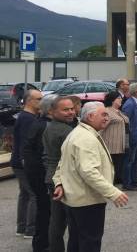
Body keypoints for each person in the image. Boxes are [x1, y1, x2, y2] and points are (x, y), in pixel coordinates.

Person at [52, 102, 129, 252]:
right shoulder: (85, 138)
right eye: (104, 114)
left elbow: (63, 163)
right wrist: (113, 193)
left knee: (77, 241)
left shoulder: (78, 133)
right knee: (89, 243)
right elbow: (89, 172)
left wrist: (58, 183)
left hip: (77, 200)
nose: (107, 118)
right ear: (90, 116)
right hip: (87, 202)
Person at [43, 96, 78, 252]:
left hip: (53, 177)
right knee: (70, 223)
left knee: (57, 222)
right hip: (62, 180)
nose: (71, 112)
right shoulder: (66, 131)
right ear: (52, 111)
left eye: (72, 108)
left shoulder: (50, 126)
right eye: (65, 110)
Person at [23, 94, 54, 251]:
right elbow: (42, 155)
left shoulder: (40, 123)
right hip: (41, 176)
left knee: (45, 210)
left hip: (37, 173)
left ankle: (42, 243)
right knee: (45, 211)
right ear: (51, 110)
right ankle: (42, 244)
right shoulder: (44, 126)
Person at [12, 89, 42, 240]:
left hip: (18, 161)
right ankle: (30, 229)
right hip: (24, 163)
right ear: (29, 101)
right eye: (39, 99)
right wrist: (27, 164)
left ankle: (22, 227)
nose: (42, 101)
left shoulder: (27, 117)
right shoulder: (28, 119)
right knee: (33, 194)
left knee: (25, 194)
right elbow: (25, 143)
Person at [101, 91, 128, 185]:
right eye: (118, 98)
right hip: (111, 145)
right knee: (111, 166)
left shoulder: (118, 111)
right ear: (112, 100)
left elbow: (126, 120)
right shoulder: (107, 112)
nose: (121, 100)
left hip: (119, 144)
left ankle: (115, 182)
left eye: (121, 98)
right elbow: (101, 127)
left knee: (118, 165)